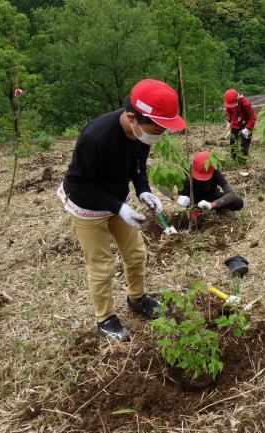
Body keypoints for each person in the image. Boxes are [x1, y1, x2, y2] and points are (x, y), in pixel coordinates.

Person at [58, 78, 186, 342]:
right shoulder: (97, 137)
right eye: (157, 127)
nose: (159, 134)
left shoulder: (142, 133)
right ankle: (104, 318)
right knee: (103, 266)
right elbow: (78, 183)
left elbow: (137, 164)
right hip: (87, 207)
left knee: (136, 253)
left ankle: (137, 298)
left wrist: (143, 190)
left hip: (117, 202)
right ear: (132, 117)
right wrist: (118, 207)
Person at [164, 150, 243, 213]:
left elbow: (231, 193)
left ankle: (215, 209)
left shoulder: (214, 171)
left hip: (209, 197)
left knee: (238, 202)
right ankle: (195, 210)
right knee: (186, 181)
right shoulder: (183, 171)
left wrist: (213, 204)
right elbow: (161, 186)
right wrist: (176, 197)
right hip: (189, 199)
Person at [224, 88, 257, 162]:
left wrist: (248, 128)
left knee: (245, 144)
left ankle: (243, 161)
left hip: (246, 124)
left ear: (237, 99)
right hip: (235, 123)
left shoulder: (246, 103)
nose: (231, 106)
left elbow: (252, 118)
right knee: (233, 142)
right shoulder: (228, 103)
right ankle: (233, 159)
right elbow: (229, 113)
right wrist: (229, 122)